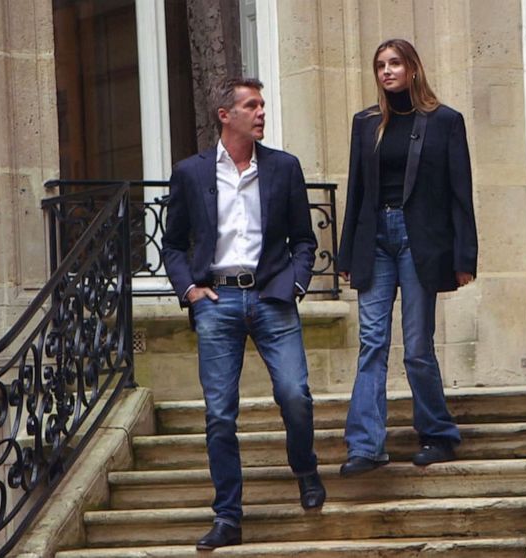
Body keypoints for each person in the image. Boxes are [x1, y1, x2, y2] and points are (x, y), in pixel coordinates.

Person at [161, 77, 325, 551]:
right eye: (251, 105)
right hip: (217, 301)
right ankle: (228, 516)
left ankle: (305, 468)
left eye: (263, 105)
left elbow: (303, 240)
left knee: (295, 393)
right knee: (219, 414)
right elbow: (173, 244)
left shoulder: (283, 168)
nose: (261, 113)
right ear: (225, 115)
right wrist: (189, 289)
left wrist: (294, 284)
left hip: (272, 295)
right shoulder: (191, 173)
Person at [337, 39, 478, 477]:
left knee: (417, 346)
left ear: (413, 68)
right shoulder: (365, 124)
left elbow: (460, 192)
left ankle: (438, 434)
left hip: (421, 241)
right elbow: (356, 192)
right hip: (375, 239)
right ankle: (365, 446)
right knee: (372, 343)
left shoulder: (444, 121)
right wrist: (346, 253)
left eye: (395, 63)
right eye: (380, 65)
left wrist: (464, 255)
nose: (387, 71)